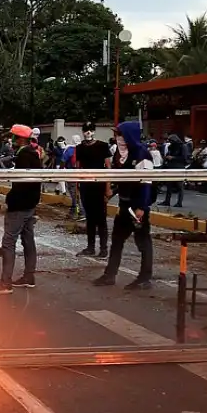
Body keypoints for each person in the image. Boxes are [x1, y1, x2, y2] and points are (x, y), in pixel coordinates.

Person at [94, 122, 154, 290]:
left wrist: (141, 207)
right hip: (124, 205)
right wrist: (111, 192)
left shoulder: (142, 154)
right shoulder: (119, 155)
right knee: (117, 240)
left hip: (137, 207)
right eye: (116, 135)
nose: (117, 138)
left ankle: (145, 278)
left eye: (120, 135)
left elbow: (146, 183)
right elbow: (120, 179)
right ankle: (109, 275)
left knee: (143, 242)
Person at [0, 124, 42, 295]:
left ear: (20, 139)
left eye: (13, 137)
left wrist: (10, 200)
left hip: (19, 205)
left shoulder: (23, 156)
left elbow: (21, 183)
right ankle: (29, 276)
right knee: (28, 240)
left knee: (8, 242)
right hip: (30, 205)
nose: (10, 140)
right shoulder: (34, 153)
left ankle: (6, 283)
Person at [75, 122, 112, 257]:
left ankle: (103, 249)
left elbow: (108, 167)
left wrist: (108, 187)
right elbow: (78, 168)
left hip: (99, 186)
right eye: (86, 130)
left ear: (94, 131)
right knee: (89, 218)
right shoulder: (79, 148)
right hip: (86, 186)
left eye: (90, 130)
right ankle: (90, 247)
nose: (88, 132)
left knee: (101, 218)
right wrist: (78, 188)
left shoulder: (102, 146)